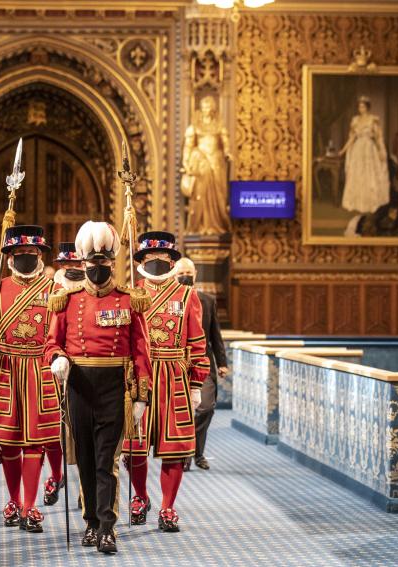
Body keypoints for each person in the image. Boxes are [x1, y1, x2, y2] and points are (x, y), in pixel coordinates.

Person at [46, 221, 151, 554]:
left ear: (112, 264)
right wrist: (58, 359)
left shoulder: (129, 301)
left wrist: (141, 396)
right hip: (78, 387)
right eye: (92, 265)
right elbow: (51, 343)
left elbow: (141, 350)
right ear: (83, 264)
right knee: (88, 460)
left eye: (104, 265)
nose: (98, 270)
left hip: (114, 390)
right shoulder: (67, 300)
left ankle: (107, 527)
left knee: (108, 461)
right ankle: (90, 522)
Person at [0, 225, 60, 533]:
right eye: (19, 254)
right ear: (9, 257)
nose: (25, 259)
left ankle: (30, 504)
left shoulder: (53, 291)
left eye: (32, 254)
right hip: (5, 370)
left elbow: (59, 333)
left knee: (36, 442)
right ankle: (12, 499)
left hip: (40, 371)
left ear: (40, 255)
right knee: (9, 443)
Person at [122, 231, 209, 533]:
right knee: (133, 445)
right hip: (140, 376)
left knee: (174, 447)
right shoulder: (130, 293)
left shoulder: (188, 296)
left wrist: (197, 382)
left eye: (162, 259)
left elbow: (198, 342)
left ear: (171, 261)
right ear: (142, 261)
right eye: (150, 259)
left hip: (174, 376)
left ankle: (167, 507)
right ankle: (141, 497)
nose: (156, 263)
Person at [40, 242, 85, 507]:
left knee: (82, 430)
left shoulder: (94, 289)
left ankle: (84, 486)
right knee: (52, 428)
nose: (73, 269)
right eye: (67, 265)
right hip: (52, 365)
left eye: (77, 264)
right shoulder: (50, 290)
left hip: (84, 366)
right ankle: (56, 475)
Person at [174, 257, 228, 471]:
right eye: (180, 273)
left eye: (188, 272)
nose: (185, 276)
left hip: (202, 363)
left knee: (205, 407)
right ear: (173, 275)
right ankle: (183, 453)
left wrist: (222, 362)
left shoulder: (207, 300)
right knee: (181, 412)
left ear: (195, 274)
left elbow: (216, 335)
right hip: (175, 365)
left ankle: (195, 451)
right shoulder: (166, 301)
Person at [181, 96, 232, 235]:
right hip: (200, 163)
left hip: (216, 162)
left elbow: (225, 142)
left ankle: (215, 224)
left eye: (209, 107)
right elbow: (188, 146)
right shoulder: (194, 127)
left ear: (213, 109)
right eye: (204, 107)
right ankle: (199, 225)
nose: (206, 110)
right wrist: (186, 162)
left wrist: (227, 153)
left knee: (218, 195)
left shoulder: (219, 125)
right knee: (200, 193)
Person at [340, 95, 390, 214]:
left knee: (369, 174)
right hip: (358, 149)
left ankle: (371, 203)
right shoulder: (355, 120)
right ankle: (356, 202)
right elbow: (352, 138)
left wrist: (381, 151)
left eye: (363, 107)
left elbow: (378, 138)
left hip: (369, 149)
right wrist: (343, 150)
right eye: (359, 107)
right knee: (357, 174)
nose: (361, 109)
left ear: (367, 107)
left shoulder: (373, 119)